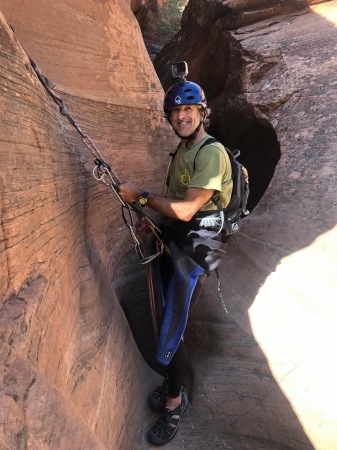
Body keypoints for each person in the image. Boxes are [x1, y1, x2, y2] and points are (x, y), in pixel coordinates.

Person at [117, 73, 233, 446]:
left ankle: (173, 403)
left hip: (198, 249)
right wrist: (152, 222)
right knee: (163, 312)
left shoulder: (210, 153)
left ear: (202, 113)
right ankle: (172, 382)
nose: (182, 116)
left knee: (173, 326)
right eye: (176, 111)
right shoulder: (183, 150)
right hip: (179, 240)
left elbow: (185, 209)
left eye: (188, 110)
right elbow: (176, 206)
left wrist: (141, 197)